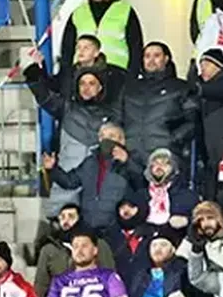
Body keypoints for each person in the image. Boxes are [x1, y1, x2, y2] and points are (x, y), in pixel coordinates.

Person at [29, 64, 119, 213]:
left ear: (100, 88)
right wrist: (33, 74)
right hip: (65, 180)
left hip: (97, 184)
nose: (86, 87)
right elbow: (45, 97)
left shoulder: (112, 115)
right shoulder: (66, 107)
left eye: (91, 83)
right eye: (82, 83)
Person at [44, 122, 135, 234]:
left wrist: (127, 162)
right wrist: (53, 168)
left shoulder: (132, 161)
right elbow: (70, 182)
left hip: (115, 228)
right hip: (88, 226)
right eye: (105, 136)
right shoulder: (90, 162)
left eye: (114, 137)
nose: (109, 140)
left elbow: (140, 184)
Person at [121, 42, 198, 171]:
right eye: (147, 56)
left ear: (166, 59)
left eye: (156, 55)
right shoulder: (130, 88)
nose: (151, 60)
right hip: (132, 156)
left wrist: (172, 140)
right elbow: (119, 117)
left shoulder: (181, 87)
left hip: (164, 157)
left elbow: (192, 122)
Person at [62, 0, 144, 75]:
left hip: (116, 72)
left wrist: (132, 74)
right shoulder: (78, 13)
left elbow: (136, 46)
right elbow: (67, 48)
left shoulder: (125, 11)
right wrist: (67, 74)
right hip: (84, 73)